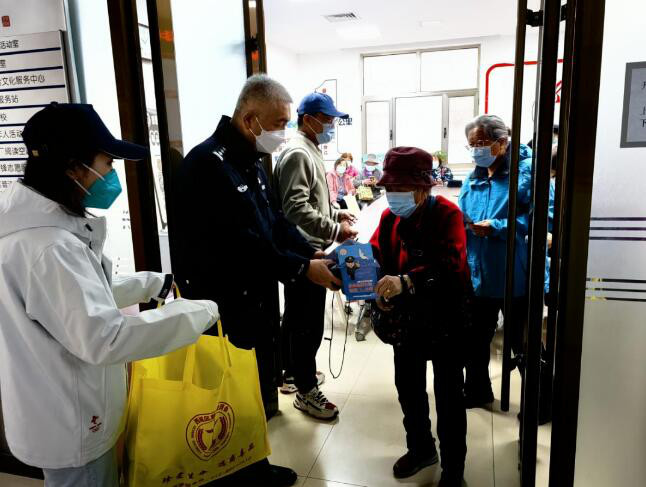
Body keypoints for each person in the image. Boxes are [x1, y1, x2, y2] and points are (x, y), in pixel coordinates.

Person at [0, 103, 220, 487]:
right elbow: (105, 337)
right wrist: (197, 313)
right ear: (74, 168)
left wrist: (152, 283)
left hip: (54, 408)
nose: (112, 174)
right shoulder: (49, 247)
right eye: (107, 163)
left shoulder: (35, 229)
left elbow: (77, 299)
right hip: (73, 420)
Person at [174, 75, 341, 487]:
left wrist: (309, 254)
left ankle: (254, 465)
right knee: (228, 396)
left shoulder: (251, 161)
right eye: (280, 123)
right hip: (223, 304)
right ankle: (236, 473)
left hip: (257, 297)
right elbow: (242, 244)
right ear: (251, 120)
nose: (284, 132)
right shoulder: (207, 166)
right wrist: (301, 269)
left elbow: (275, 222)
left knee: (254, 387)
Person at [369, 147, 470, 487]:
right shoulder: (389, 218)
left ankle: (453, 468)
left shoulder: (448, 214)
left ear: (423, 188)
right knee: (409, 389)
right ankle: (421, 449)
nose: (392, 195)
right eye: (388, 188)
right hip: (406, 322)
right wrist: (374, 287)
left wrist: (408, 281)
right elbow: (376, 256)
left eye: (399, 188)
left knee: (449, 396)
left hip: (446, 318)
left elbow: (453, 265)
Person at [273, 92, 357, 420]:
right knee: (306, 323)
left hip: (310, 246)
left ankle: (292, 373)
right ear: (308, 119)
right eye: (328, 120)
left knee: (297, 318)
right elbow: (295, 208)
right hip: (304, 250)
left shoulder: (310, 149)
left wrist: (336, 216)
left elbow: (314, 202)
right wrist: (335, 231)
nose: (332, 126)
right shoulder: (298, 153)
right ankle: (306, 390)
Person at [458, 114, 534, 408]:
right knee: (474, 339)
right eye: (472, 145)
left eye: (481, 143)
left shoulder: (525, 174)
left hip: (511, 272)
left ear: (502, 142)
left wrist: (498, 227)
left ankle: (538, 402)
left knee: (521, 342)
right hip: (478, 271)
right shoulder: (475, 176)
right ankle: (477, 391)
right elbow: (463, 209)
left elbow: (539, 219)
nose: (476, 150)